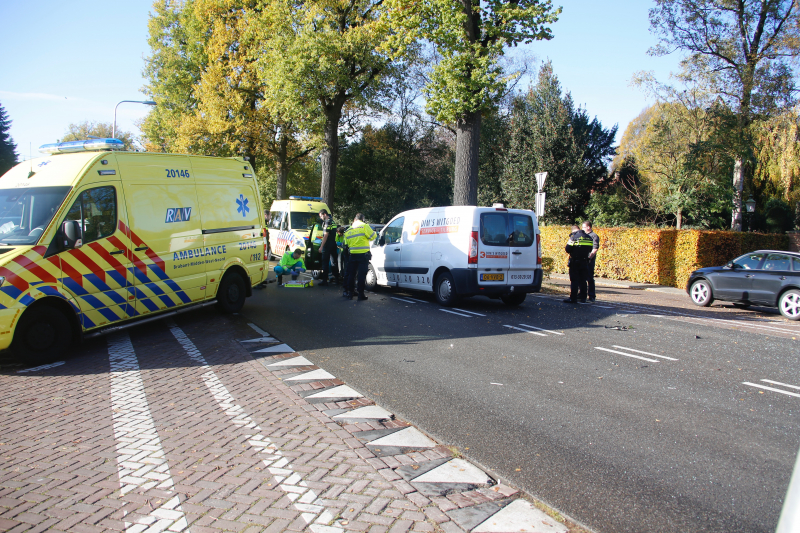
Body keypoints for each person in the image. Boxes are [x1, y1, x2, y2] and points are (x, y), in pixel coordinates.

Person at [343, 213, 377, 301]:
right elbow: (373, 236)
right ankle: (360, 294)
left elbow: (346, 243)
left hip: (352, 255)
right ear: (362, 218)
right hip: (363, 255)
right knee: (361, 275)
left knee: (351, 274)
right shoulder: (364, 226)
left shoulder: (348, 230)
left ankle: (350, 293)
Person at [563, 227, 593, 304]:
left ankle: (573, 298)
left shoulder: (574, 237)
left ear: (574, 231)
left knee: (574, 280)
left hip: (575, 261)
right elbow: (590, 249)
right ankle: (583, 297)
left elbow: (568, 249)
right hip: (585, 261)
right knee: (583, 280)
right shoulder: (589, 238)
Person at [317, 209, 339, 285]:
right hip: (333, 244)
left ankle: (324, 280)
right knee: (334, 262)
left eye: (321, 216)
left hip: (327, 245)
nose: (320, 218)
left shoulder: (327, 222)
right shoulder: (332, 222)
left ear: (324, 214)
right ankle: (336, 279)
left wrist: (321, 246)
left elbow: (326, 235)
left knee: (325, 262)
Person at [582, 221, 600, 302]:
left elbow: (595, 248)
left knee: (589, 278)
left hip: (589, 260)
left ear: (588, 227)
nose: (582, 229)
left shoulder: (594, 236)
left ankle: (591, 295)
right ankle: (582, 294)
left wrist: (590, 257)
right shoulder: (584, 235)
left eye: (584, 227)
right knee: (582, 277)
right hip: (583, 259)